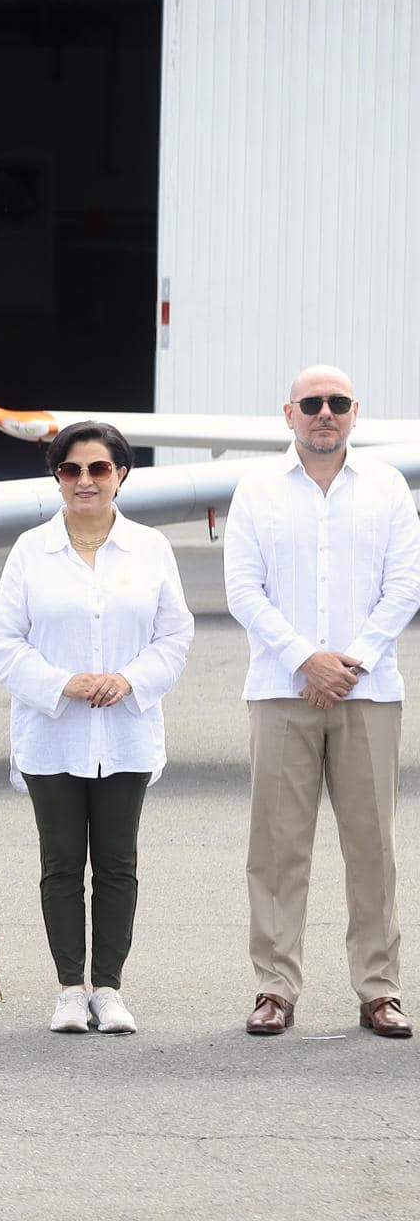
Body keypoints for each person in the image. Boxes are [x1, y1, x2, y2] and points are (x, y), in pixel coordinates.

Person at [225, 365, 420, 1039]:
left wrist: (349, 663)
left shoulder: (389, 488)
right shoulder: (256, 490)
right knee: (277, 849)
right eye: (312, 403)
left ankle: (379, 990)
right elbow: (244, 591)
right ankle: (275, 987)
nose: (325, 413)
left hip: (370, 694)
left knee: (373, 847)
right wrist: (307, 659)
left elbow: (405, 587)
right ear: (289, 414)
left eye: (337, 403)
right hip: (282, 693)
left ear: (355, 412)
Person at [0, 421, 194, 1035]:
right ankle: (69, 990)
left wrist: (129, 679)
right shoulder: (30, 550)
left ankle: (109, 988)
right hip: (53, 734)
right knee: (59, 863)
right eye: (71, 469)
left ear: (121, 475)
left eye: (98, 469)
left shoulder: (151, 548)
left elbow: (175, 635)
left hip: (125, 732)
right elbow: (4, 642)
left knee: (116, 864)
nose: (85, 481)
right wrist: (64, 683)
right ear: (56, 477)